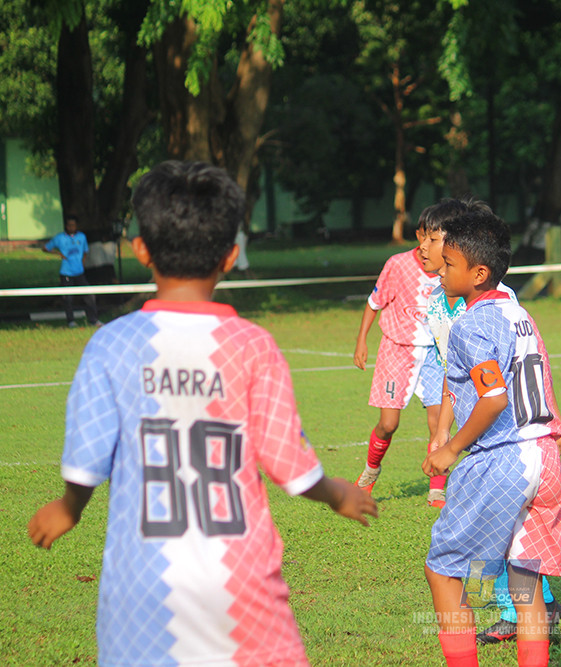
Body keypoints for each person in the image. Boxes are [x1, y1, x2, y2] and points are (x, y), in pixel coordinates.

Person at [28, 161, 377, 666]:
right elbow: (287, 465)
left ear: (141, 248)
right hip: (241, 581)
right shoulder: (253, 346)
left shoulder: (110, 345)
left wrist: (69, 509)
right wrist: (337, 492)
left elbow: (86, 458)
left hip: (138, 586)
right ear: (231, 256)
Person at [416, 198, 561, 645]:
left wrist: (450, 447)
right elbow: (538, 371)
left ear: (478, 273)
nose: (441, 274)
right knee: (525, 585)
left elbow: (494, 397)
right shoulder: (521, 314)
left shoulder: (469, 325)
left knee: (442, 571)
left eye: (449, 265)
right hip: (544, 457)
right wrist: (556, 425)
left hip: (504, 460)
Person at [353, 218, 445, 504]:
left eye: (436, 239)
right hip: (397, 350)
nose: (427, 245)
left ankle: (437, 488)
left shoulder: (449, 270)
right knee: (388, 424)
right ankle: (369, 473)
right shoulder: (398, 265)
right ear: (419, 235)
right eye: (425, 237)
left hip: (434, 353)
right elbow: (373, 302)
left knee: (438, 421)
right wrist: (361, 341)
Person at [43, 214, 101, 327]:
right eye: (69, 225)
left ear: (76, 226)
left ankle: (93, 320)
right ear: (66, 225)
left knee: (89, 296)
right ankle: (71, 321)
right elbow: (45, 248)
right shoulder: (59, 238)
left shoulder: (82, 237)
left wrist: (82, 264)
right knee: (68, 298)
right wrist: (58, 253)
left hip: (79, 272)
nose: (71, 227)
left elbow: (85, 252)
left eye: (73, 225)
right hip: (66, 273)